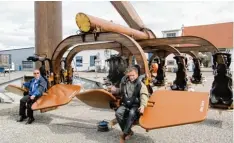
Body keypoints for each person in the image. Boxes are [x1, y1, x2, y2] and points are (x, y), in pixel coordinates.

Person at [110, 66, 149, 142]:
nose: (131, 77)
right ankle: (129, 132)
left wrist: (143, 106)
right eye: (129, 75)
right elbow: (121, 91)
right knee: (118, 113)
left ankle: (124, 134)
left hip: (135, 105)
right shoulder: (124, 82)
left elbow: (144, 95)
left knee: (131, 113)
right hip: (125, 104)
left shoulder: (141, 84)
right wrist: (115, 90)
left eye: (133, 75)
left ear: (137, 75)